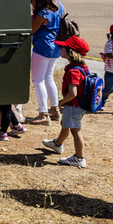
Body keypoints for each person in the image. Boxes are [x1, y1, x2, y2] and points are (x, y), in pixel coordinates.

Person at [41, 36, 92, 168]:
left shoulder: (73, 71)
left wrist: (60, 102)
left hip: (73, 105)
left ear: (70, 52)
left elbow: (72, 93)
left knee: (76, 130)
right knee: (65, 123)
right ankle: (57, 144)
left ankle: (79, 158)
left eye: (62, 47)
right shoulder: (81, 67)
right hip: (79, 105)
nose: (60, 48)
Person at [28, 0, 62, 125]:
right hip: (55, 47)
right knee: (48, 78)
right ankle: (55, 110)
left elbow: (32, 29)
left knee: (38, 80)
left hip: (42, 47)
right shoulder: (55, 9)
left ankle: (43, 114)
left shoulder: (42, 13)